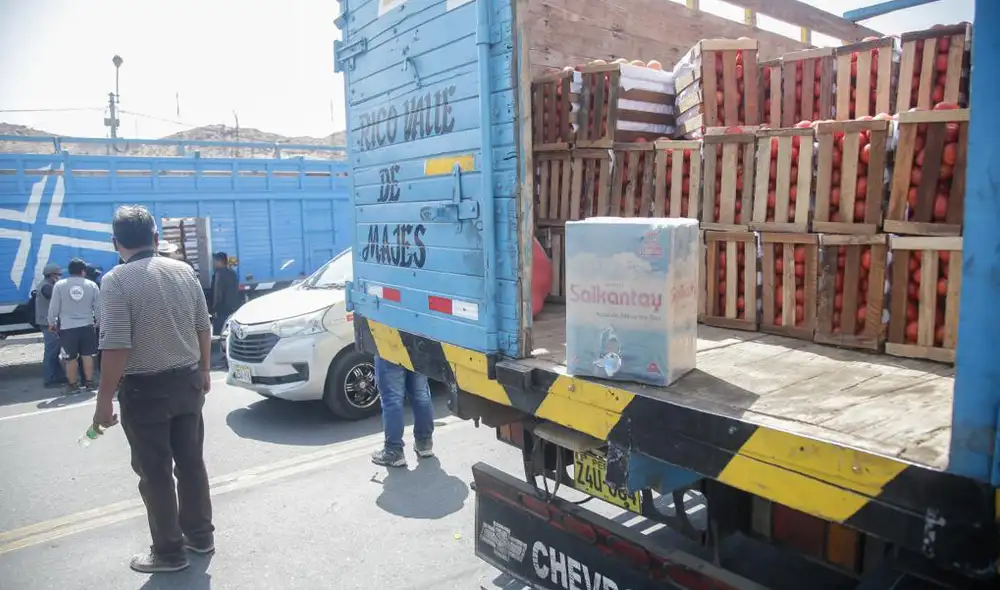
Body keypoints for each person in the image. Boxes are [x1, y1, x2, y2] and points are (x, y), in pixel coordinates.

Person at [94, 205, 214, 573]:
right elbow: (203, 326)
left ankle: (168, 552)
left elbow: (116, 345)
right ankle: (200, 536)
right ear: (157, 239)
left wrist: (102, 402)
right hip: (188, 382)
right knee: (191, 463)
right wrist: (205, 370)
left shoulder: (116, 280)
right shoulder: (183, 271)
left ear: (116, 243)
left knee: (156, 472)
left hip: (146, 392)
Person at [48, 258, 101, 394]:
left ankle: (72, 385)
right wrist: (99, 321)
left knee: (70, 358)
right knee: (87, 355)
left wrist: (52, 322)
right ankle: (89, 383)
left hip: (67, 327)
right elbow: (98, 307)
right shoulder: (92, 285)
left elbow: (54, 307)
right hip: (87, 325)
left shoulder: (59, 285)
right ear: (83, 271)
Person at [371, 356, 435, 468]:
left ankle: (393, 450)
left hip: (389, 347)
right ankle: (424, 443)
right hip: (416, 344)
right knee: (421, 394)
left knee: (392, 399)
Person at [35, 263, 66, 388]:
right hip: (49, 324)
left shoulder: (46, 285)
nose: (59, 277)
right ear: (52, 275)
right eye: (58, 275)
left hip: (48, 322)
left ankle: (58, 376)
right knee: (51, 352)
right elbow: (59, 298)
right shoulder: (47, 287)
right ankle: (49, 379)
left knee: (55, 351)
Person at [210, 252, 240, 336]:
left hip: (222, 310)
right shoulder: (233, 273)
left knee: (218, 334)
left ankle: (218, 348)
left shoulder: (219, 274)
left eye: (214, 261)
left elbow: (217, 294)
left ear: (219, 261)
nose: (213, 263)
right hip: (232, 308)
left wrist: (214, 309)